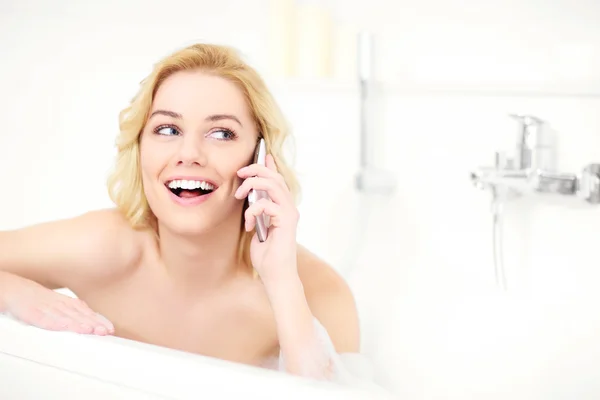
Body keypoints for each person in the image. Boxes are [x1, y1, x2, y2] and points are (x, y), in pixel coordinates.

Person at [0, 43, 369, 384]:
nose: (189, 152)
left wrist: (282, 283)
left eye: (221, 133)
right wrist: (16, 292)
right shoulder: (103, 246)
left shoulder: (320, 294)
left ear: (260, 158)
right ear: (140, 148)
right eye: (167, 129)